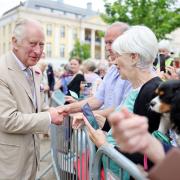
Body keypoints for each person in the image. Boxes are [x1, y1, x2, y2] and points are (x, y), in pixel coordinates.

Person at [81, 25, 162, 176]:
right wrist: (101, 121)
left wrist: (103, 144)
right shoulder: (140, 89)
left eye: (119, 56)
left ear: (134, 57)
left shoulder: (151, 93)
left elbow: (146, 156)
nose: (114, 62)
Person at [0, 18, 64, 179]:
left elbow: (36, 107)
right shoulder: (2, 71)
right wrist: (49, 117)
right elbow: (8, 119)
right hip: (9, 164)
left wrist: (56, 110)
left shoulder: (33, 70)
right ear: (15, 42)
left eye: (42, 45)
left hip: (30, 159)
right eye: (33, 43)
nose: (38, 51)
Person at [57, 22, 131, 121]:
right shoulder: (112, 70)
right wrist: (68, 108)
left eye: (111, 42)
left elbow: (119, 109)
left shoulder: (133, 72)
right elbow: (96, 99)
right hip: (107, 131)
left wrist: (84, 114)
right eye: (106, 43)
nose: (107, 47)